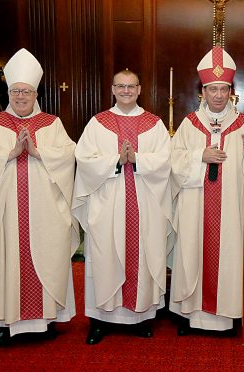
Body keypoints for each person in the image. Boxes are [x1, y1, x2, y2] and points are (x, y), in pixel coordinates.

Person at [0, 48, 79, 346]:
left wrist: (37, 152)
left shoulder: (51, 123)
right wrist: (10, 154)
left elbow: (69, 154)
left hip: (45, 213)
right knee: (7, 260)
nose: (21, 97)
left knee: (48, 258)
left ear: (35, 94)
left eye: (26, 92)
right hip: (6, 215)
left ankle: (48, 319)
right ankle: (5, 324)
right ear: (9, 92)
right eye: (16, 91)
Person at [169, 46, 244, 335]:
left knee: (229, 255)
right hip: (195, 208)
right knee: (193, 252)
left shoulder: (242, 124)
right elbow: (172, 163)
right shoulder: (189, 124)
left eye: (223, 89)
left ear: (230, 91)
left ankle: (229, 313)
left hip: (231, 212)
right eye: (213, 89)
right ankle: (191, 313)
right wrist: (201, 156)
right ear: (203, 90)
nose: (218, 95)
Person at [72, 69, 172, 344]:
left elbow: (166, 160)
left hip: (145, 204)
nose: (126, 90)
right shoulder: (97, 123)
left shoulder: (155, 123)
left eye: (131, 86)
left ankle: (141, 318)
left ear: (140, 89)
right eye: (121, 86)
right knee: (105, 257)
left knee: (143, 256)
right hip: (108, 204)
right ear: (113, 89)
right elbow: (83, 157)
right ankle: (100, 321)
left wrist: (137, 159)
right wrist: (115, 161)